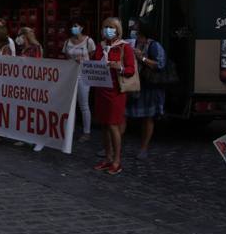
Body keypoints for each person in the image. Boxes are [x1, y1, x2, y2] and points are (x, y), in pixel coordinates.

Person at [93, 17, 137, 176]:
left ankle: (117, 161)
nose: (108, 30)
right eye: (105, 27)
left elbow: (131, 69)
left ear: (118, 30)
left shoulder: (125, 47)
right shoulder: (100, 46)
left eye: (111, 27)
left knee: (113, 125)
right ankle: (108, 157)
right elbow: (94, 64)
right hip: (101, 90)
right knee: (104, 125)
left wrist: (120, 67)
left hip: (116, 91)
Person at [126, 24, 167, 159]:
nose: (134, 32)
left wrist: (142, 58)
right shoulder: (131, 43)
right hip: (133, 85)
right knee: (123, 115)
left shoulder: (154, 45)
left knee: (148, 118)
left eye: (136, 30)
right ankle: (113, 145)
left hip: (149, 87)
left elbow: (160, 64)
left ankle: (144, 148)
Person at [63, 22, 96, 141]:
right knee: (71, 105)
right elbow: (66, 56)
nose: (74, 28)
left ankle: (86, 132)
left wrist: (83, 60)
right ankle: (70, 130)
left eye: (76, 26)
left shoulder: (89, 41)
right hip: (71, 76)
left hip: (84, 76)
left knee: (84, 105)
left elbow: (92, 56)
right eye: (72, 26)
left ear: (82, 27)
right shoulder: (67, 42)